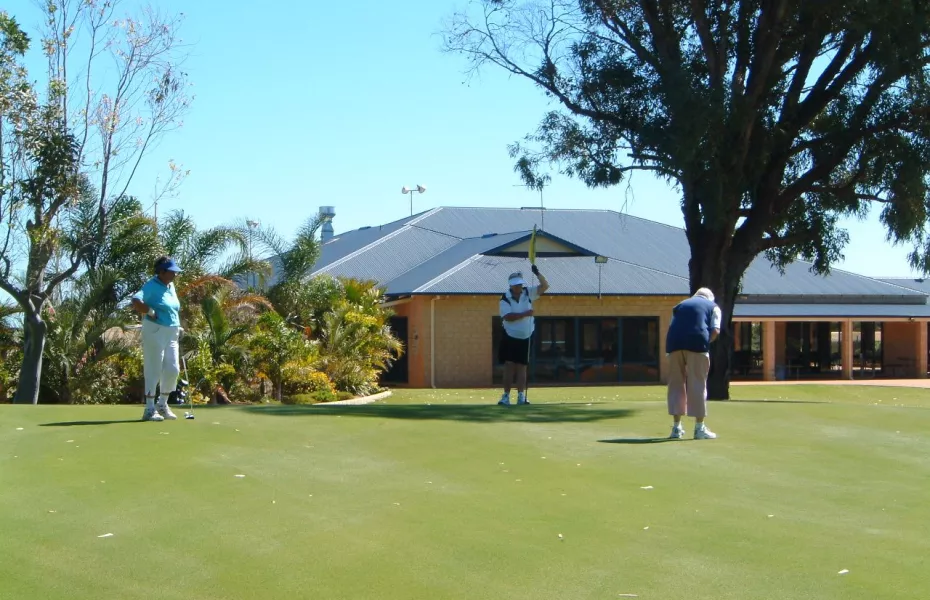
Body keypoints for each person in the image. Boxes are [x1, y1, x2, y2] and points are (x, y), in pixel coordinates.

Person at [131, 256, 183, 422]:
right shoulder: (151, 285)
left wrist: (176, 325)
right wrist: (151, 312)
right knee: (154, 368)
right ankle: (149, 408)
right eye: (172, 271)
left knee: (173, 369)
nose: (175, 274)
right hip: (155, 330)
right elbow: (136, 300)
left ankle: (162, 404)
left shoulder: (171, 286)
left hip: (172, 332)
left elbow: (171, 308)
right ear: (162, 272)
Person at [665, 287, 722, 439]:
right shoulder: (713, 307)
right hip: (697, 345)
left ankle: (676, 428)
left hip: (673, 344)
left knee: (676, 384)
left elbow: (672, 327)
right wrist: (705, 343)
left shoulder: (679, 306)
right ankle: (699, 428)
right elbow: (715, 330)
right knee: (697, 384)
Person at [498, 265, 549, 406]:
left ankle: (521, 396)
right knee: (509, 366)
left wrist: (537, 273)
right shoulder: (504, 299)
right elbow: (507, 317)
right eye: (515, 285)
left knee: (522, 366)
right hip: (510, 335)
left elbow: (545, 286)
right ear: (511, 286)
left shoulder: (528, 293)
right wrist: (524, 314)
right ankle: (506, 396)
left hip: (526, 336)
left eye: (520, 284)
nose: (518, 287)